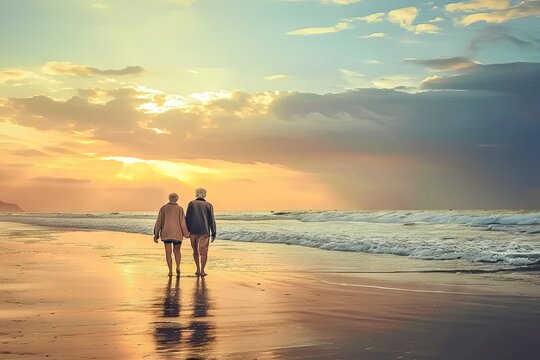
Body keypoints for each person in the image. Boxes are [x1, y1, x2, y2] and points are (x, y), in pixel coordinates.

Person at [154, 192, 190, 277]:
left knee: (168, 252)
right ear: (177, 199)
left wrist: (156, 234)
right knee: (177, 251)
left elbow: (159, 221)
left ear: (169, 198)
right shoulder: (180, 209)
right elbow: (182, 223)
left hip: (166, 232)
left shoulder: (163, 208)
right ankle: (178, 266)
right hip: (177, 233)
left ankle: (170, 271)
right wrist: (186, 234)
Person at [185, 188, 216, 276]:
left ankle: (198, 269)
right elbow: (211, 220)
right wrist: (214, 233)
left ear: (196, 194)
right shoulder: (208, 205)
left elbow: (188, 218)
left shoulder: (191, 204)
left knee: (195, 251)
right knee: (204, 252)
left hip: (193, 230)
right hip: (204, 231)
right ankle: (202, 271)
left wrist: (186, 230)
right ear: (205, 194)